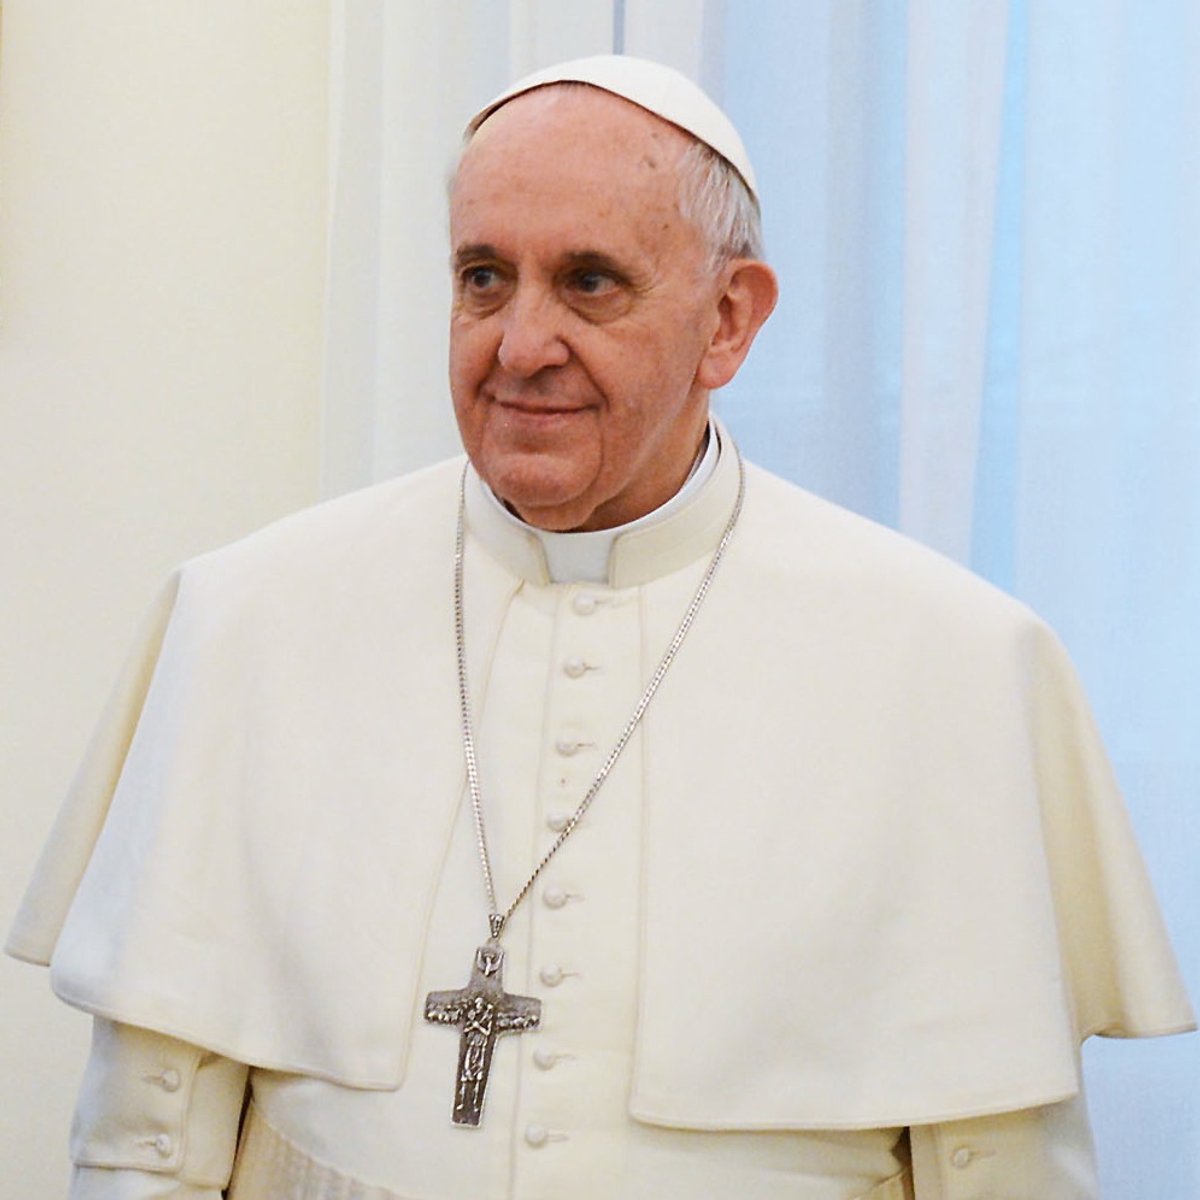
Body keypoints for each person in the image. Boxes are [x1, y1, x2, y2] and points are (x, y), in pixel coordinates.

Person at [7, 54, 1193, 1200]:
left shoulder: (954, 664)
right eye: (483, 277)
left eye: (590, 282)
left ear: (729, 320)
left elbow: (1000, 1165)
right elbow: (144, 1141)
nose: (520, 347)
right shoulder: (248, 619)